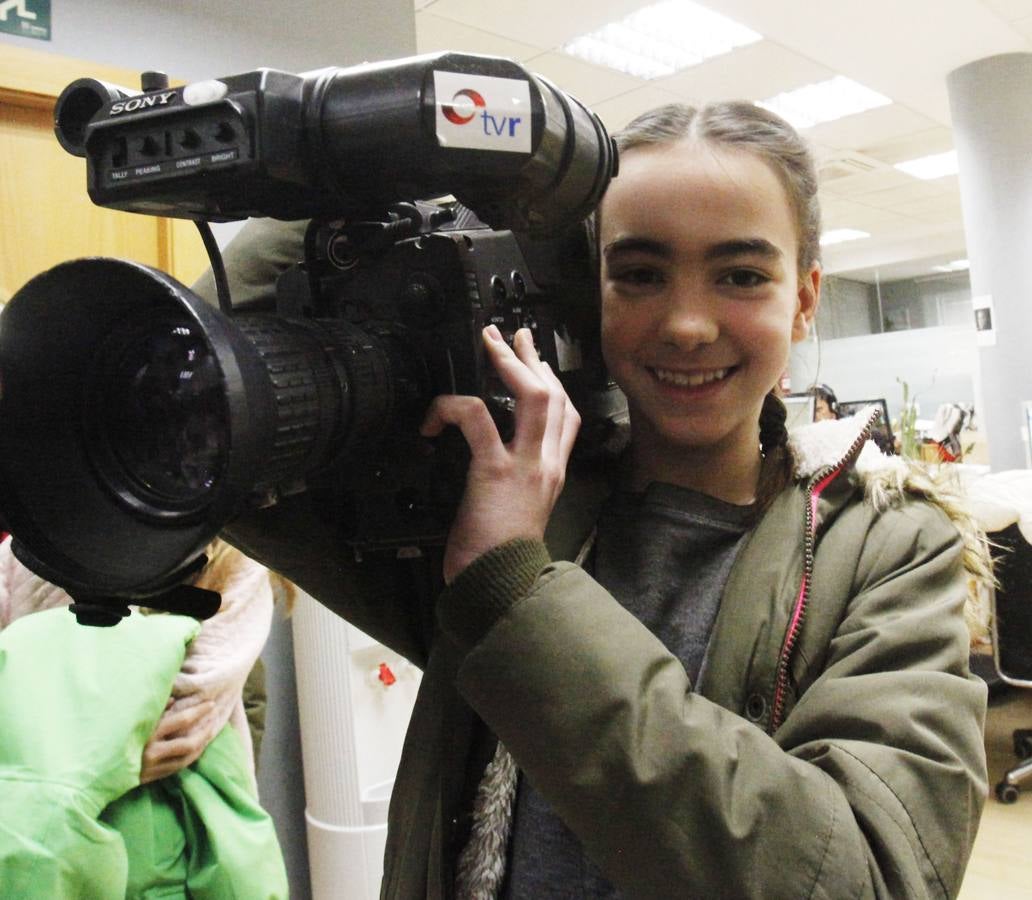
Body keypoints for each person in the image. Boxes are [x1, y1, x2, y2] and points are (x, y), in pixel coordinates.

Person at [202, 101, 992, 899]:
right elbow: (203, 410)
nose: (686, 325)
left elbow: (866, 878)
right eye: (639, 274)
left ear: (805, 297)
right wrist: (384, 153)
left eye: (742, 276)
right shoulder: (496, 502)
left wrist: (515, 589)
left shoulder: (886, 551)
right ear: (587, 294)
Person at [0, 535, 288, 898]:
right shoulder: (40, 535)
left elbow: (181, 719)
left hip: (168, 838)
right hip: (43, 830)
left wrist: (51, 744)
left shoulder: (235, 555)